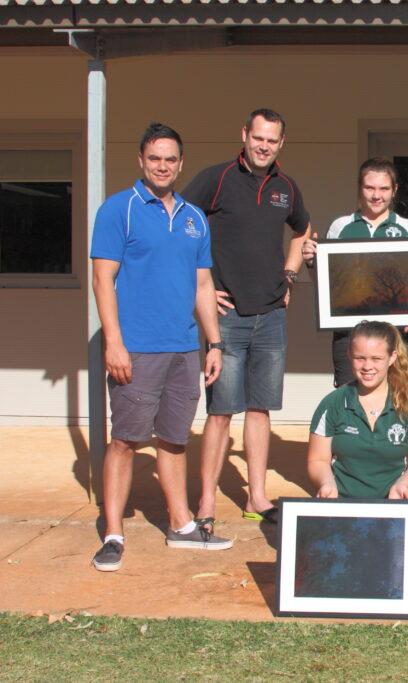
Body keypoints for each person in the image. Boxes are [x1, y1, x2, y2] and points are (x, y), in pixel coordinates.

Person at [90, 123, 233, 572]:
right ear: (141, 160)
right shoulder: (120, 210)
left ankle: (181, 525)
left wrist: (213, 342)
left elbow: (202, 283)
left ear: (181, 163)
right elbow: (102, 279)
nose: (163, 166)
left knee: (173, 440)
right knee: (127, 440)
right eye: (155, 158)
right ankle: (113, 534)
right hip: (137, 348)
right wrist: (114, 342)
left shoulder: (194, 217)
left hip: (181, 348)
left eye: (171, 159)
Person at [182, 108, 312, 528]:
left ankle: (257, 496)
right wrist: (198, 284)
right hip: (228, 317)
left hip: (271, 315)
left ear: (281, 144)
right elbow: (178, 223)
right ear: (244, 134)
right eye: (258, 138)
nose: (264, 146)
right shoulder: (216, 179)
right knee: (221, 411)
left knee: (259, 410)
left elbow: (303, 230)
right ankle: (205, 503)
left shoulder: (286, 187)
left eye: (272, 141)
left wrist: (289, 275)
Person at [300, 157, 408, 387]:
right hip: (350, 335)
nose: (377, 195)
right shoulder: (340, 226)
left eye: (384, 188)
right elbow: (327, 286)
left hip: (397, 335)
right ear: (359, 188)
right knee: (350, 402)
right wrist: (311, 263)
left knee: (398, 401)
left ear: (395, 190)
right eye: (370, 188)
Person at [307, 321, 408, 499]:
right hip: (341, 504)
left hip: (392, 505)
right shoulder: (332, 404)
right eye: (360, 358)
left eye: (376, 358)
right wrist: (326, 482)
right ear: (349, 355)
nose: (367, 366)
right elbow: (317, 460)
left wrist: (403, 485)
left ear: (392, 357)